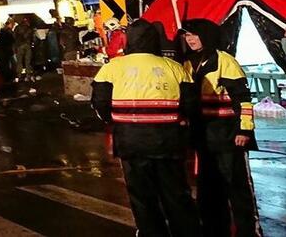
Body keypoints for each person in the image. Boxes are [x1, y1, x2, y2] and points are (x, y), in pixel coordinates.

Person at [91, 19, 201, 236]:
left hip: (131, 143)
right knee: (176, 193)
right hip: (168, 142)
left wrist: (116, 122)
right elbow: (191, 104)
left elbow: (100, 104)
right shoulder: (174, 68)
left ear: (128, 40)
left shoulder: (111, 68)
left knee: (142, 197)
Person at [181, 19, 262, 237]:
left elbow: (243, 100)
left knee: (237, 188)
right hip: (204, 137)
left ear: (205, 36)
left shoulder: (225, 62)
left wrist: (244, 131)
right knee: (209, 189)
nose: (189, 40)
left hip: (228, 135)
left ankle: (248, 231)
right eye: (186, 36)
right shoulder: (188, 63)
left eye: (193, 35)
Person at [0, 18, 17, 92]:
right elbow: (12, 40)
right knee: (7, 67)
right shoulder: (6, 33)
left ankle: (3, 82)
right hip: (5, 54)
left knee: (2, 68)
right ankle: (7, 82)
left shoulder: (2, 33)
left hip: (2, 54)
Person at [12, 15, 36, 81]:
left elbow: (14, 37)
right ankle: (28, 75)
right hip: (27, 45)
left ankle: (19, 76)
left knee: (19, 61)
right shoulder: (29, 28)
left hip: (19, 46)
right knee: (28, 61)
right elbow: (33, 38)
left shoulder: (17, 27)